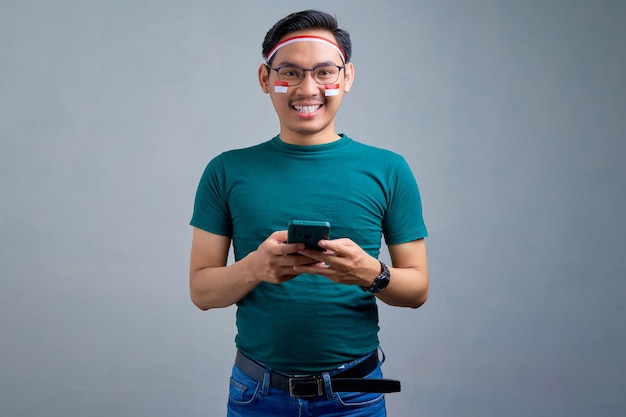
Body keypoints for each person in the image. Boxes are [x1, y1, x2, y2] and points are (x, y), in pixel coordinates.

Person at [189, 9, 429, 417]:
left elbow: (417, 289)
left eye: (324, 72)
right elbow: (202, 292)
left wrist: (369, 273)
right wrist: (255, 268)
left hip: (355, 394)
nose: (307, 88)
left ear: (346, 77)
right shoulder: (226, 170)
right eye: (290, 72)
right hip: (257, 394)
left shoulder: (389, 170)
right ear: (265, 79)